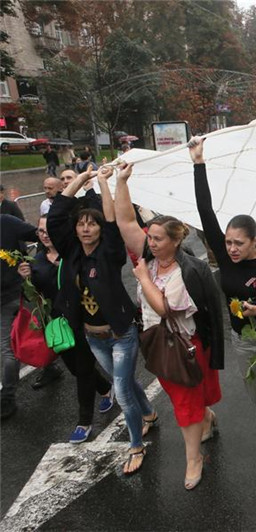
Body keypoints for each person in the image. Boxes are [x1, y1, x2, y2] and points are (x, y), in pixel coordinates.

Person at [189, 137, 256, 490]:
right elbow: (205, 210)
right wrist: (198, 163)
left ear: (254, 241)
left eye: (239, 243)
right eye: (229, 243)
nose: (232, 249)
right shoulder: (223, 254)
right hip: (243, 343)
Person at [108, 161, 224, 490]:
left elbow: (163, 308)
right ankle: (206, 418)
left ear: (175, 241)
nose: (152, 243)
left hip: (184, 346)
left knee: (185, 407)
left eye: (159, 239)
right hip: (158, 343)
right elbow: (125, 220)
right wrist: (122, 181)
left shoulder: (183, 272)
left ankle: (194, 459)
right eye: (151, 238)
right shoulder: (152, 256)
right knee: (184, 400)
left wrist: (143, 278)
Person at [47, 167, 156, 475]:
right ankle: (149, 413)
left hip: (121, 335)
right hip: (94, 339)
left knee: (121, 391)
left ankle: (136, 446)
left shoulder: (109, 252)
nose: (86, 229)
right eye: (81, 224)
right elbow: (55, 217)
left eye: (91, 225)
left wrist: (104, 183)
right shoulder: (72, 253)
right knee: (127, 383)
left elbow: (111, 222)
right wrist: (80, 181)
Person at [17, 215, 114, 442]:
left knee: (83, 370)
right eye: (40, 231)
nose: (45, 234)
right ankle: (106, 388)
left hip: (83, 322)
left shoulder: (75, 255)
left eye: (49, 229)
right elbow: (33, 297)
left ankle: (84, 421)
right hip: (57, 326)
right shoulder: (35, 262)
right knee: (74, 369)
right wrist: (25, 281)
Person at [0, 214, 38, 420]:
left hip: (11, 296)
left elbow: (40, 234)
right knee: (25, 334)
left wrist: (35, 263)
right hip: (12, 293)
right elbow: (41, 234)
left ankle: (7, 398)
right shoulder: (5, 221)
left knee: (10, 349)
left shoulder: (6, 221)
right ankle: (50, 365)